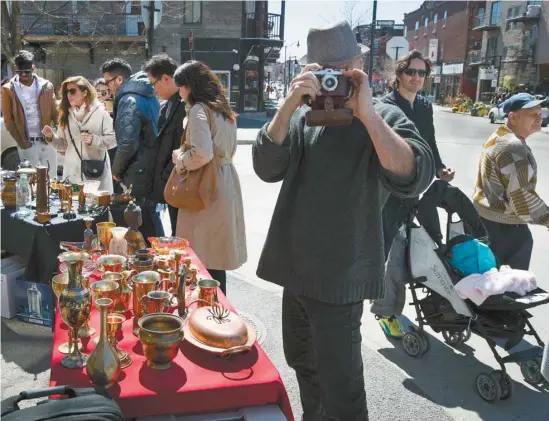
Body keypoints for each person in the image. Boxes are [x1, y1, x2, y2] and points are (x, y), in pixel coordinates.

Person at [252, 21, 434, 421]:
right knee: (303, 365)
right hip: (295, 271)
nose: (331, 80)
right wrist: (287, 105)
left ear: (357, 65)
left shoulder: (382, 115)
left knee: (342, 390)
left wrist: (366, 114)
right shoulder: (302, 116)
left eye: (340, 69)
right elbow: (266, 167)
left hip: (340, 279)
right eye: (322, 70)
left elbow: (414, 173)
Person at [371, 50, 454, 339]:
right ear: (399, 74)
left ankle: (386, 305)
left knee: (408, 253)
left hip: (415, 192)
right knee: (392, 254)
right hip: (387, 191)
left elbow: (427, 142)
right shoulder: (384, 105)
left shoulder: (424, 106)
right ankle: (384, 310)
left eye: (422, 73)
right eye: (411, 72)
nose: (416, 78)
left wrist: (440, 167)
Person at [172, 61, 247, 295]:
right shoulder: (223, 109)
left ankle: (206, 314)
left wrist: (180, 160)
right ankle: (218, 311)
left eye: (181, 87)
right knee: (216, 257)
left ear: (190, 86)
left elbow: (202, 153)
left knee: (201, 254)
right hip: (224, 179)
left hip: (205, 182)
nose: (179, 93)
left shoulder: (198, 109)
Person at [473, 93, 549, 270]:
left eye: (540, 114)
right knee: (511, 290)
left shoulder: (500, 135)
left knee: (491, 289)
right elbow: (521, 198)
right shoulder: (513, 146)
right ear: (513, 117)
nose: (539, 119)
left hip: (488, 222)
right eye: (532, 115)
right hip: (506, 231)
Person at [100, 58, 163, 240]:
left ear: (119, 80)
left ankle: (147, 259)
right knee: (149, 216)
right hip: (148, 165)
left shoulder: (129, 99)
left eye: (108, 82)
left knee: (139, 220)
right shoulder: (147, 95)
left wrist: (116, 170)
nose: (108, 87)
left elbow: (128, 143)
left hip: (137, 169)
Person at [42, 76, 116, 192]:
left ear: (85, 92)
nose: (69, 95)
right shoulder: (65, 115)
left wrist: (93, 140)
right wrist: (51, 137)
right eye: (66, 91)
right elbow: (63, 145)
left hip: (96, 175)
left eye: (72, 91)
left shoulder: (101, 113)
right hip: (73, 175)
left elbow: (113, 140)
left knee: (97, 208)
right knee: (73, 207)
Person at [142, 54, 186, 237]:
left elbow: (182, 146)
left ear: (166, 78)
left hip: (179, 184)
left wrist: (167, 175)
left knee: (181, 235)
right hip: (170, 183)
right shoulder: (168, 104)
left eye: (153, 83)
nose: (153, 89)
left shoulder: (185, 105)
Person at [1, 50, 58, 177]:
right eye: (20, 72)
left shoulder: (47, 86)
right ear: (16, 70)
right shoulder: (8, 89)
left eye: (27, 71)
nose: (24, 75)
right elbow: (8, 120)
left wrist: (58, 138)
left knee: (52, 179)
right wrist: (22, 143)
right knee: (31, 182)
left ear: (33, 68)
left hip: (48, 141)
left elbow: (56, 112)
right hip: (27, 143)